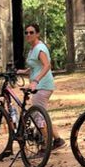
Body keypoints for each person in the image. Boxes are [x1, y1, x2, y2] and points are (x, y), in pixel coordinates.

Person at [17, 23, 66, 151]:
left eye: (31, 32)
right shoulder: (32, 49)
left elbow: (46, 66)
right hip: (40, 85)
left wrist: (35, 81)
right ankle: (58, 140)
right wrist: (23, 71)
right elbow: (36, 67)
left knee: (37, 116)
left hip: (42, 85)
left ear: (37, 34)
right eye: (26, 32)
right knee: (42, 114)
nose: (28, 35)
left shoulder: (40, 48)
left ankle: (46, 145)